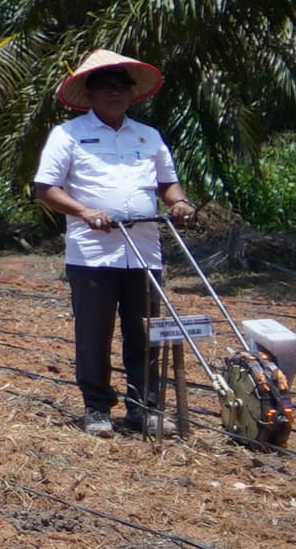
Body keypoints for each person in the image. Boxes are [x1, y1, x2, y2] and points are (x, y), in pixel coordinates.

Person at [33, 48, 196, 439]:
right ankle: (97, 408)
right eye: (107, 87)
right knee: (95, 333)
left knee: (144, 332)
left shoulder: (148, 136)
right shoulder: (68, 135)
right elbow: (45, 189)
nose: (115, 93)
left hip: (144, 251)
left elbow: (166, 182)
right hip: (93, 253)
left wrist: (179, 202)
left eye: (122, 87)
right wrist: (85, 212)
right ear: (90, 94)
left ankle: (145, 408)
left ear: (131, 93)